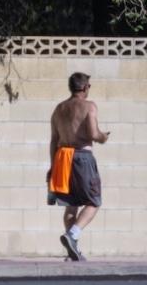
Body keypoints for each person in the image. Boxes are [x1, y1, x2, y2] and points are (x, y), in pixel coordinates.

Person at [47, 72, 110, 261]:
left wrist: (52, 166)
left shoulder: (59, 109)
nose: (89, 88)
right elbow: (93, 134)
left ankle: (72, 251)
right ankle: (72, 235)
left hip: (62, 159)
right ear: (84, 87)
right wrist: (103, 137)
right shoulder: (89, 106)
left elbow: (54, 140)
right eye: (89, 85)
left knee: (71, 205)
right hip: (82, 157)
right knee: (94, 201)